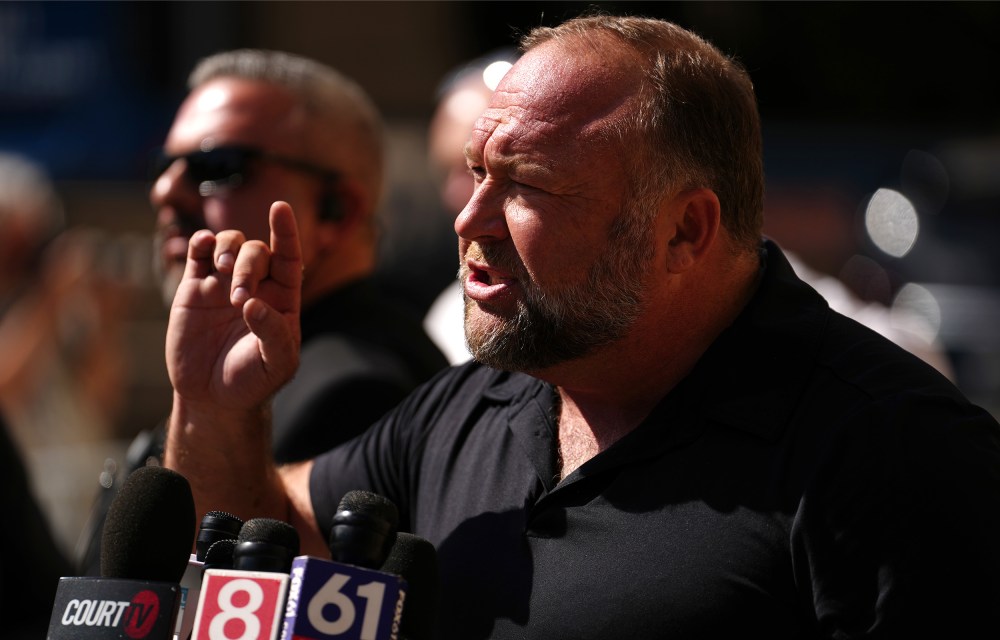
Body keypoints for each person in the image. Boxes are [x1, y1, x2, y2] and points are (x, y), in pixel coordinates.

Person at [161, 16, 1000, 639]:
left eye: (526, 186)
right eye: (474, 174)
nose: (471, 221)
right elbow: (265, 532)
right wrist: (212, 408)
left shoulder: (890, 453)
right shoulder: (475, 404)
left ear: (685, 230)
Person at [149, 49, 448, 464]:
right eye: (165, 165)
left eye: (217, 165)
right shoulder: (261, 366)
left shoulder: (356, 394)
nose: (164, 191)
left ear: (336, 212)